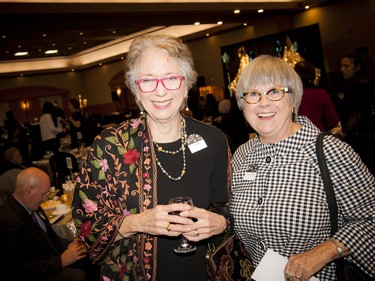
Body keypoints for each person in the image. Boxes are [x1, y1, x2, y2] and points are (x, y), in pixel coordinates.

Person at [72, 34, 232, 281]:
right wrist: (138, 222)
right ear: (136, 89)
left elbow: (229, 209)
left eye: (170, 78)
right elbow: (86, 225)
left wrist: (220, 223)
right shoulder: (111, 146)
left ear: (187, 83)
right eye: (148, 80)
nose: (160, 92)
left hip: (204, 272)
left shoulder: (213, 139)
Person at [230, 55, 374, 280]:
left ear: (294, 99)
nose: (263, 102)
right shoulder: (240, 156)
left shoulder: (330, 152)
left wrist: (326, 251)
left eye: (275, 91)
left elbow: (370, 220)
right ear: (242, 104)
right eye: (253, 94)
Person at [0, 167, 90, 281]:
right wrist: (62, 260)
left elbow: (48, 237)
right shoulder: (8, 221)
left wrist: (70, 245)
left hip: (47, 257)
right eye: (43, 194)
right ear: (28, 190)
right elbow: (21, 269)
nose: (45, 198)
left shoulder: (32, 204)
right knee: (78, 276)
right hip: (35, 272)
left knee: (86, 254)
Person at [333, 51, 375, 175]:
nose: (342, 69)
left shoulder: (358, 85)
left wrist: (344, 132)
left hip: (361, 136)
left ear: (357, 67)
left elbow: (359, 113)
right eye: (341, 66)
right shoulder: (363, 82)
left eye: (346, 66)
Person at [294, 60, 340, 132]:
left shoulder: (291, 95)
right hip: (318, 136)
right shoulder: (321, 94)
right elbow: (333, 121)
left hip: (297, 136)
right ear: (313, 74)